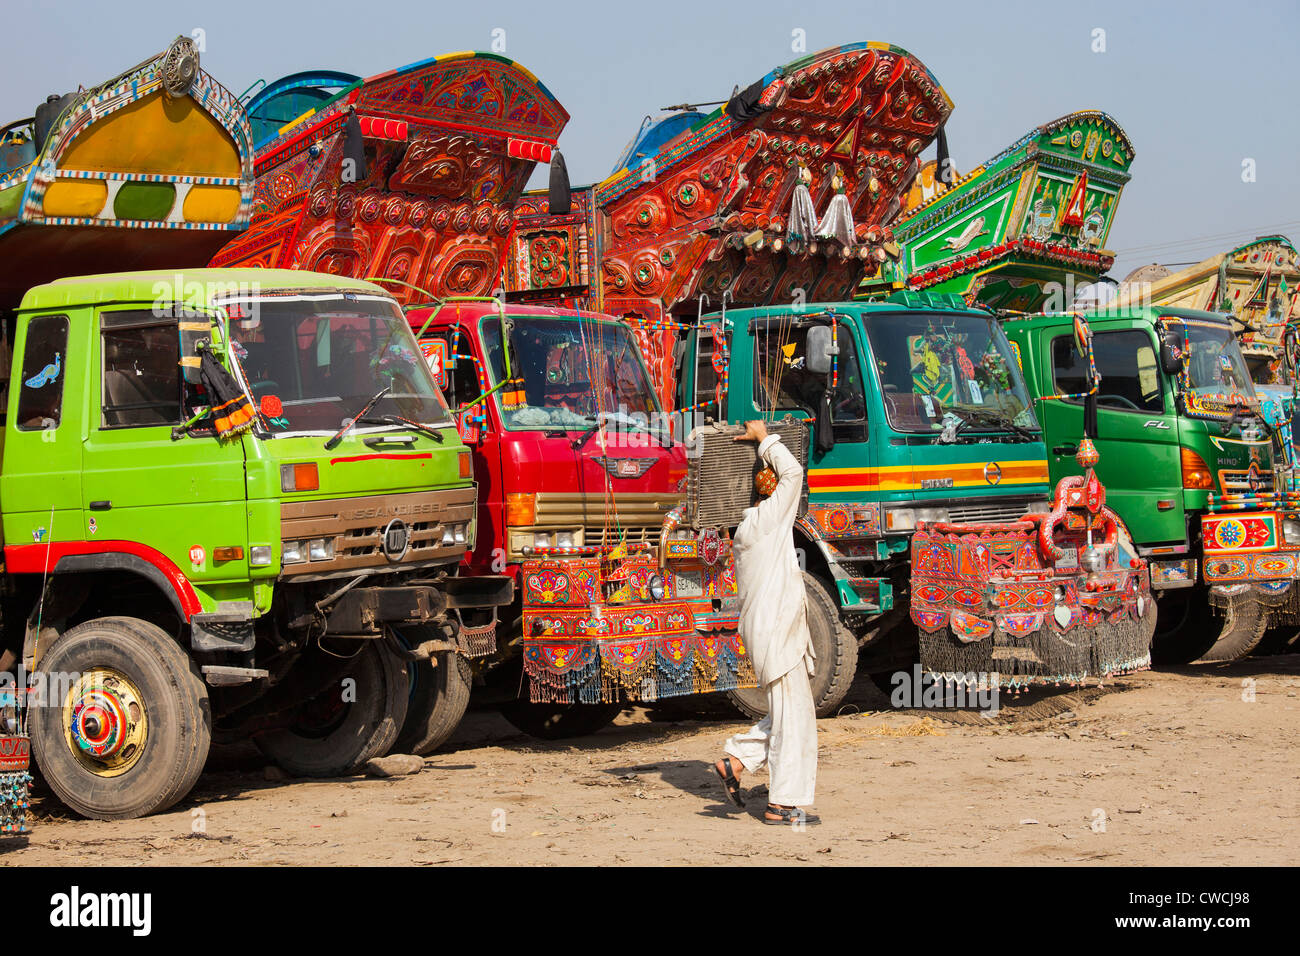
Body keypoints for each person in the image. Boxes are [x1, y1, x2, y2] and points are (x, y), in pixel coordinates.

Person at [714, 419, 819, 825]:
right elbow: (794, 471)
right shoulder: (768, 522)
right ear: (771, 491)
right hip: (777, 632)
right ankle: (781, 804)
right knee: (795, 720)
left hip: (770, 631)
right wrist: (765, 440)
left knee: (788, 713)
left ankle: (737, 761)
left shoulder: (746, 530)